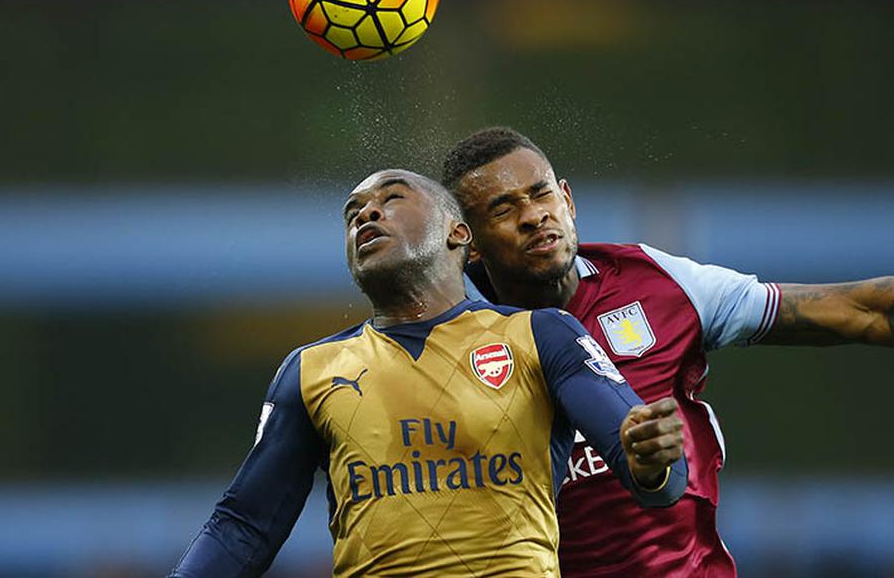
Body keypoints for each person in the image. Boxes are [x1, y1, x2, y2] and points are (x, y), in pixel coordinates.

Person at [440, 127, 894, 577]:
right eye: (502, 209)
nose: (533, 215)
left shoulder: (658, 285)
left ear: (568, 199)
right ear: (466, 237)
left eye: (540, 195)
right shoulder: (443, 340)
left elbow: (865, 310)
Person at [170, 169, 689, 577]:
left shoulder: (543, 334)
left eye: (391, 198)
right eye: (353, 213)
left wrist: (651, 459)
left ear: (457, 232)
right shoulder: (310, 371)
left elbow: (647, 469)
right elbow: (244, 527)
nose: (366, 213)